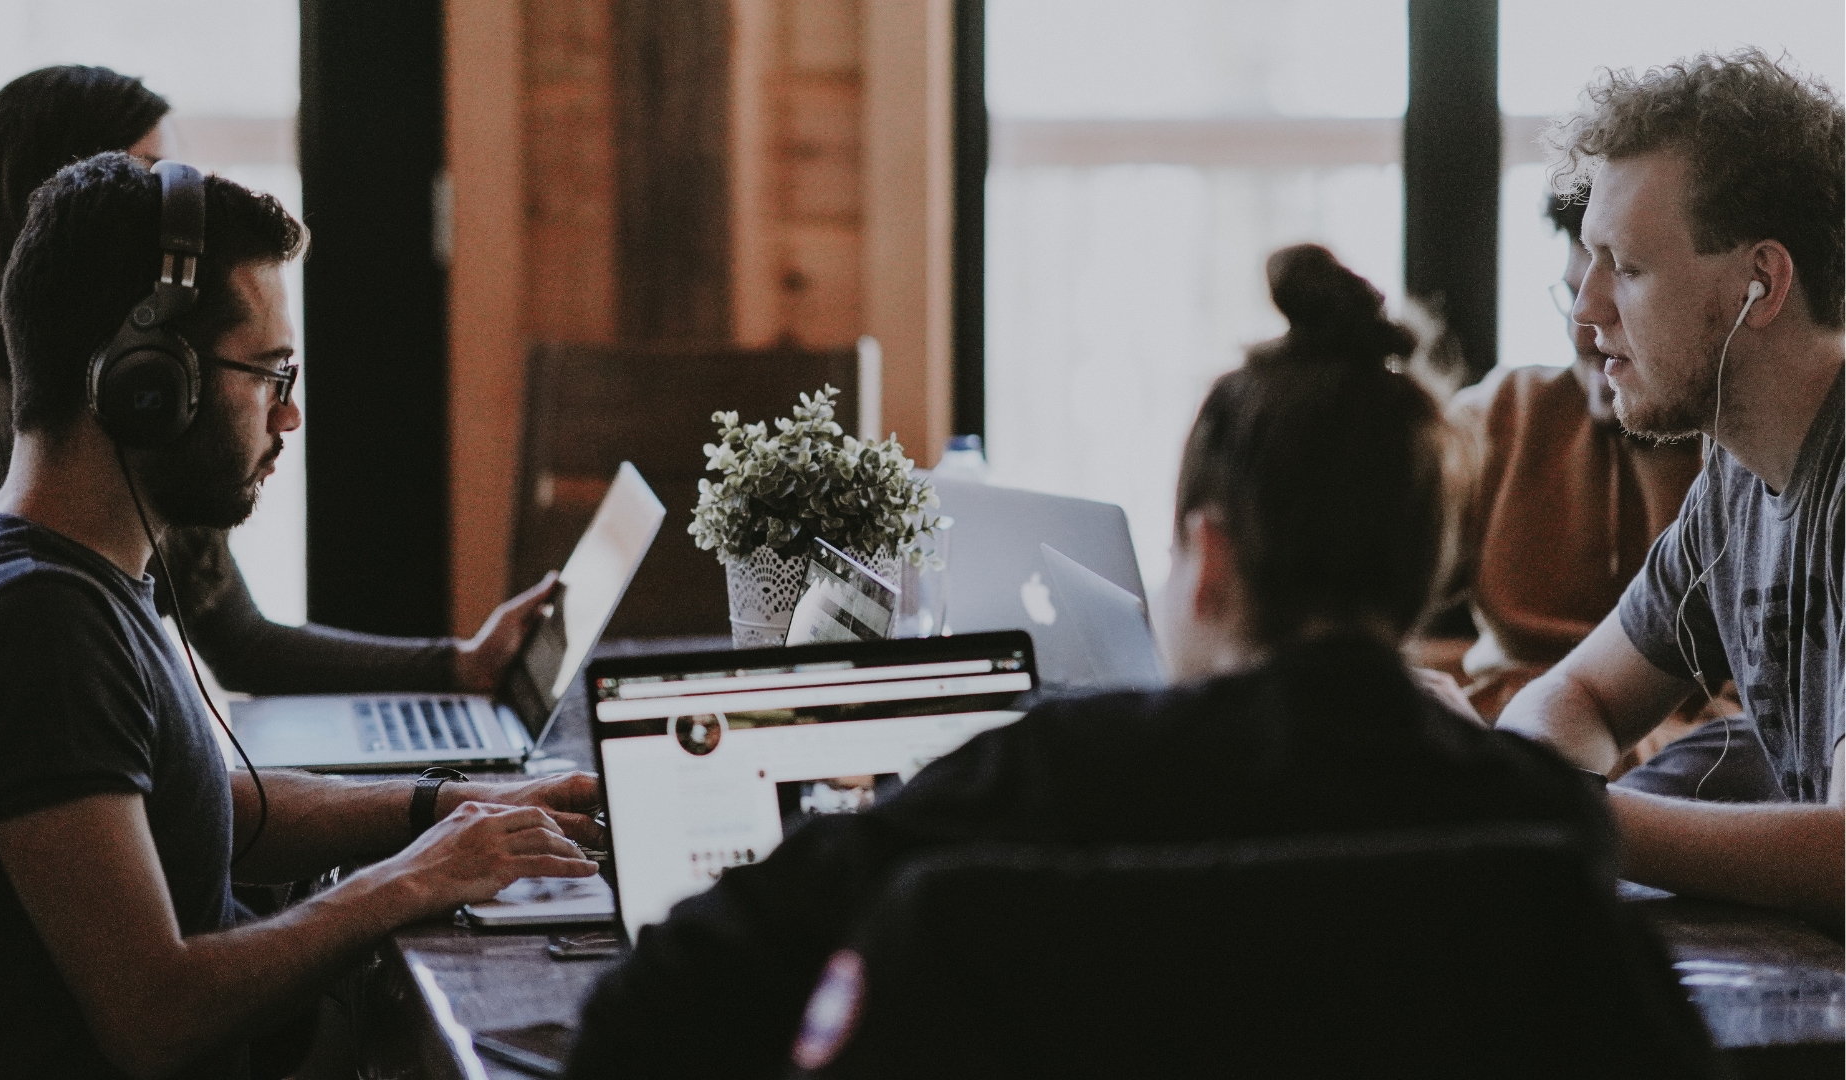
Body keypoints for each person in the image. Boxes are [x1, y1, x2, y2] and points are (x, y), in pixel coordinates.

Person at [567, 245, 1614, 1077]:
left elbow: (645, 1012)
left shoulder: (1043, 782)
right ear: (1426, 561)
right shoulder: (1541, 823)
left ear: (1207, 561)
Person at [0, 153, 605, 1079]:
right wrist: (414, 880)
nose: (289, 419)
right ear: (148, 384)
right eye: (272, 374)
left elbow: (207, 800)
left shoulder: (45, 566)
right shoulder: (39, 628)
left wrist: (454, 808)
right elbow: (154, 1018)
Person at [0, 65, 549, 699]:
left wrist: (461, 665)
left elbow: (245, 644)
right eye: (149, 180)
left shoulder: (162, 396)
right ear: (64, 200)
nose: (183, 221)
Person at [1496, 49, 1843, 921]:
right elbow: (1577, 693)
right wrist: (1532, 783)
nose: (1586, 312)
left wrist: (1571, 813)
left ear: (1760, 285)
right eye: (1589, 263)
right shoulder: (1737, 474)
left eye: (1630, 268)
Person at [1440, 190, 1781, 802]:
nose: (1586, 329)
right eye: (1572, 294)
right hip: (1537, 741)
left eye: (1626, 286)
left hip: (1692, 769)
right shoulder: (1504, 417)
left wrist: (1552, 805)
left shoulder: (1751, 469)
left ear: (1756, 287)